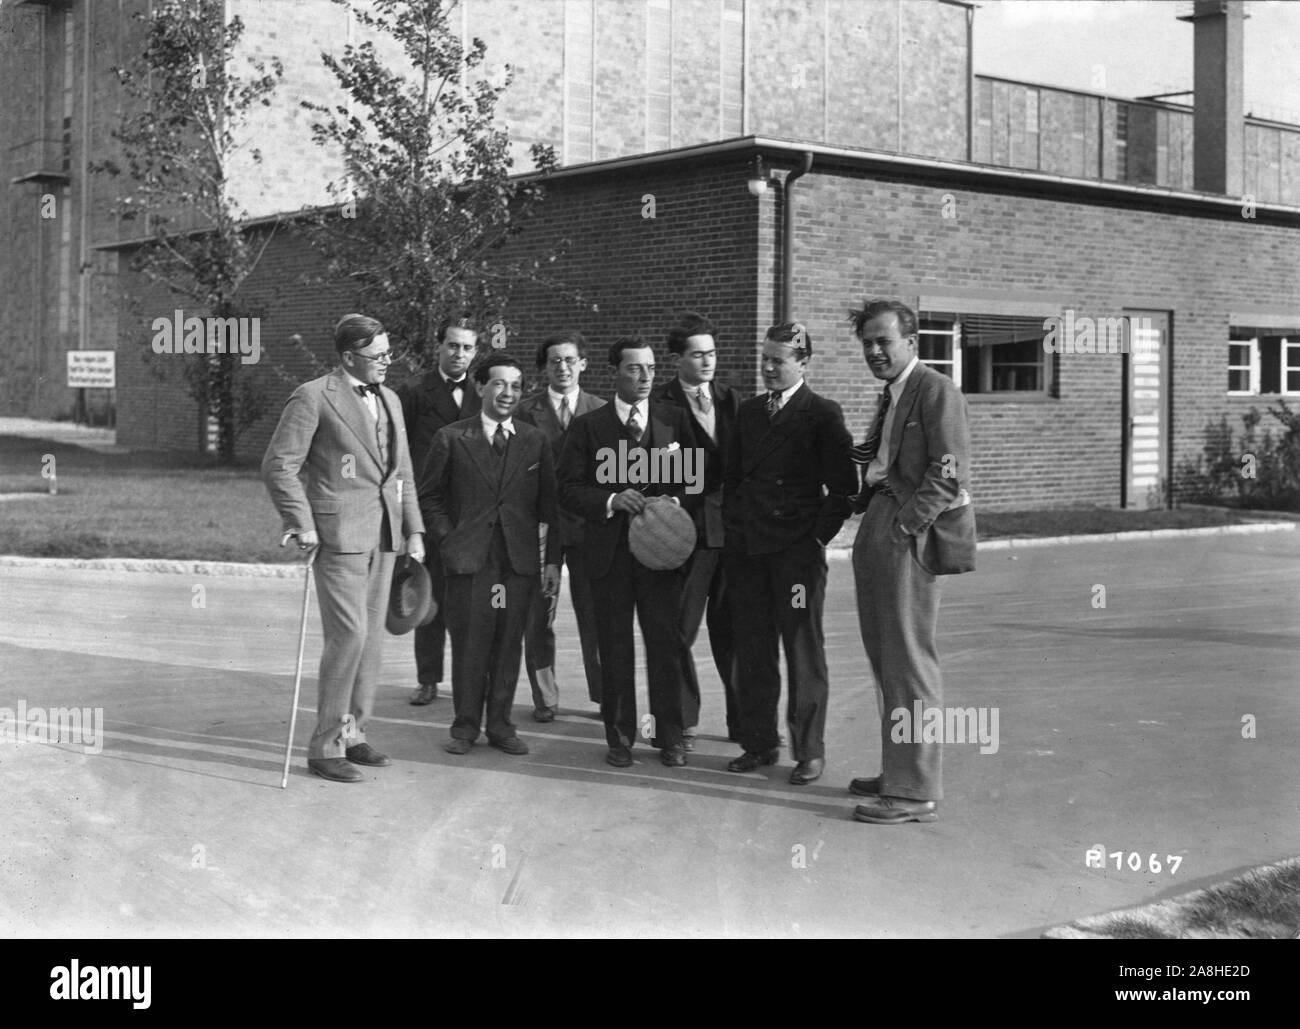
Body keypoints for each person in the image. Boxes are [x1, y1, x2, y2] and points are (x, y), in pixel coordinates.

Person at [262, 314, 425, 784]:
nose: (387, 363)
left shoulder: (390, 399)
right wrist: (302, 523)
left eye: (389, 354)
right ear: (349, 356)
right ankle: (325, 746)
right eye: (378, 356)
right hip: (337, 538)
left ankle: (354, 733)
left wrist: (414, 529)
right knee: (349, 636)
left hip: (386, 536)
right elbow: (279, 466)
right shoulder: (313, 396)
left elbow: (402, 473)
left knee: (371, 641)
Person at [847, 299, 973, 825]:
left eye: (885, 341)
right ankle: (898, 771)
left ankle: (915, 789)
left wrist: (903, 527)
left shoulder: (936, 390)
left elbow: (948, 473)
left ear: (911, 342)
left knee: (909, 663)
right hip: (879, 524)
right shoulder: (894, 392)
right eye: (868, 343)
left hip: (906, 533)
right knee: (886, 661)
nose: (875, 351)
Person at [558, 336, 701, 768]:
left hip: (661, 557)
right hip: (609, 556)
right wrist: (610, 499)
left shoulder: (675, 420)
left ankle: (670, 736)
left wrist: (672, 506)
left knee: (666, 644)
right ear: (613, 373)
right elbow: (566, 488)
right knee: (614, 646)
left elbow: (695, 481)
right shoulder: (589, 427)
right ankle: (620, 736)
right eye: (634, 369)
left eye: (651, 369)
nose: (644, 378)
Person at [723, 322, 856, 786]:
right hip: (750, 553)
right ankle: (759, 743)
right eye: (765, 358)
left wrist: (815, 538)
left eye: (778, 360)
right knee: (754, 651)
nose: (768, 367)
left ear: (803, 363)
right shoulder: (749, 412)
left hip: (796, 556)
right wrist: (737, 531)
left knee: (803, 651)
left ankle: (809, 751)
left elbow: (844, 489)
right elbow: (731, 477)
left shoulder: (821, 413)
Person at [418, 353, 561, 756]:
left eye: (516, 386)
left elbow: (550, 506)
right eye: (499, 384)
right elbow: (429, 497)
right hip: (469, 560)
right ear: (480, 387)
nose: (508, 393)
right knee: (470, 643)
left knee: (508, 643)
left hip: (517, 562)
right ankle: (464, 727)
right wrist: (449, 538)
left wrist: (551, 560)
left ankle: (500, 725)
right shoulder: (451, 438)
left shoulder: (535, 441)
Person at [652, 312, 743, 746]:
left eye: (712, 353)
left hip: (730, 535)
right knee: (677, 631)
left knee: (735, 633)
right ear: (677, 359)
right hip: (683, 533)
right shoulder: (660, 403)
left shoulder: (731, 400)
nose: (707, 361)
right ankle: (680, 724)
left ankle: (744, 725)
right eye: (697, 354)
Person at [514, 331, 606, 721]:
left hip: (590, 527)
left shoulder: (602, 410)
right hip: (542, 527)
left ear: (583, 364)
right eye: (554, 361)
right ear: (543, 368)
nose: (563, 367)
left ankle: (605, 695)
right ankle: (545, 698)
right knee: (539, 616)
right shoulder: (523, 412)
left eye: (570, 360)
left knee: (597, 616)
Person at [394, 318, 480, 707]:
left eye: (466, 347)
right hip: (427, 510)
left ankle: (471, 679)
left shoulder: (485, 391)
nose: (459, 353)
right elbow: (396, 453)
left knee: (468, 599)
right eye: (452, 345)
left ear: (475, 352)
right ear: (439, 346)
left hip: (471, 513)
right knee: (428, 596)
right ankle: (427, 679)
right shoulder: (412, 391)